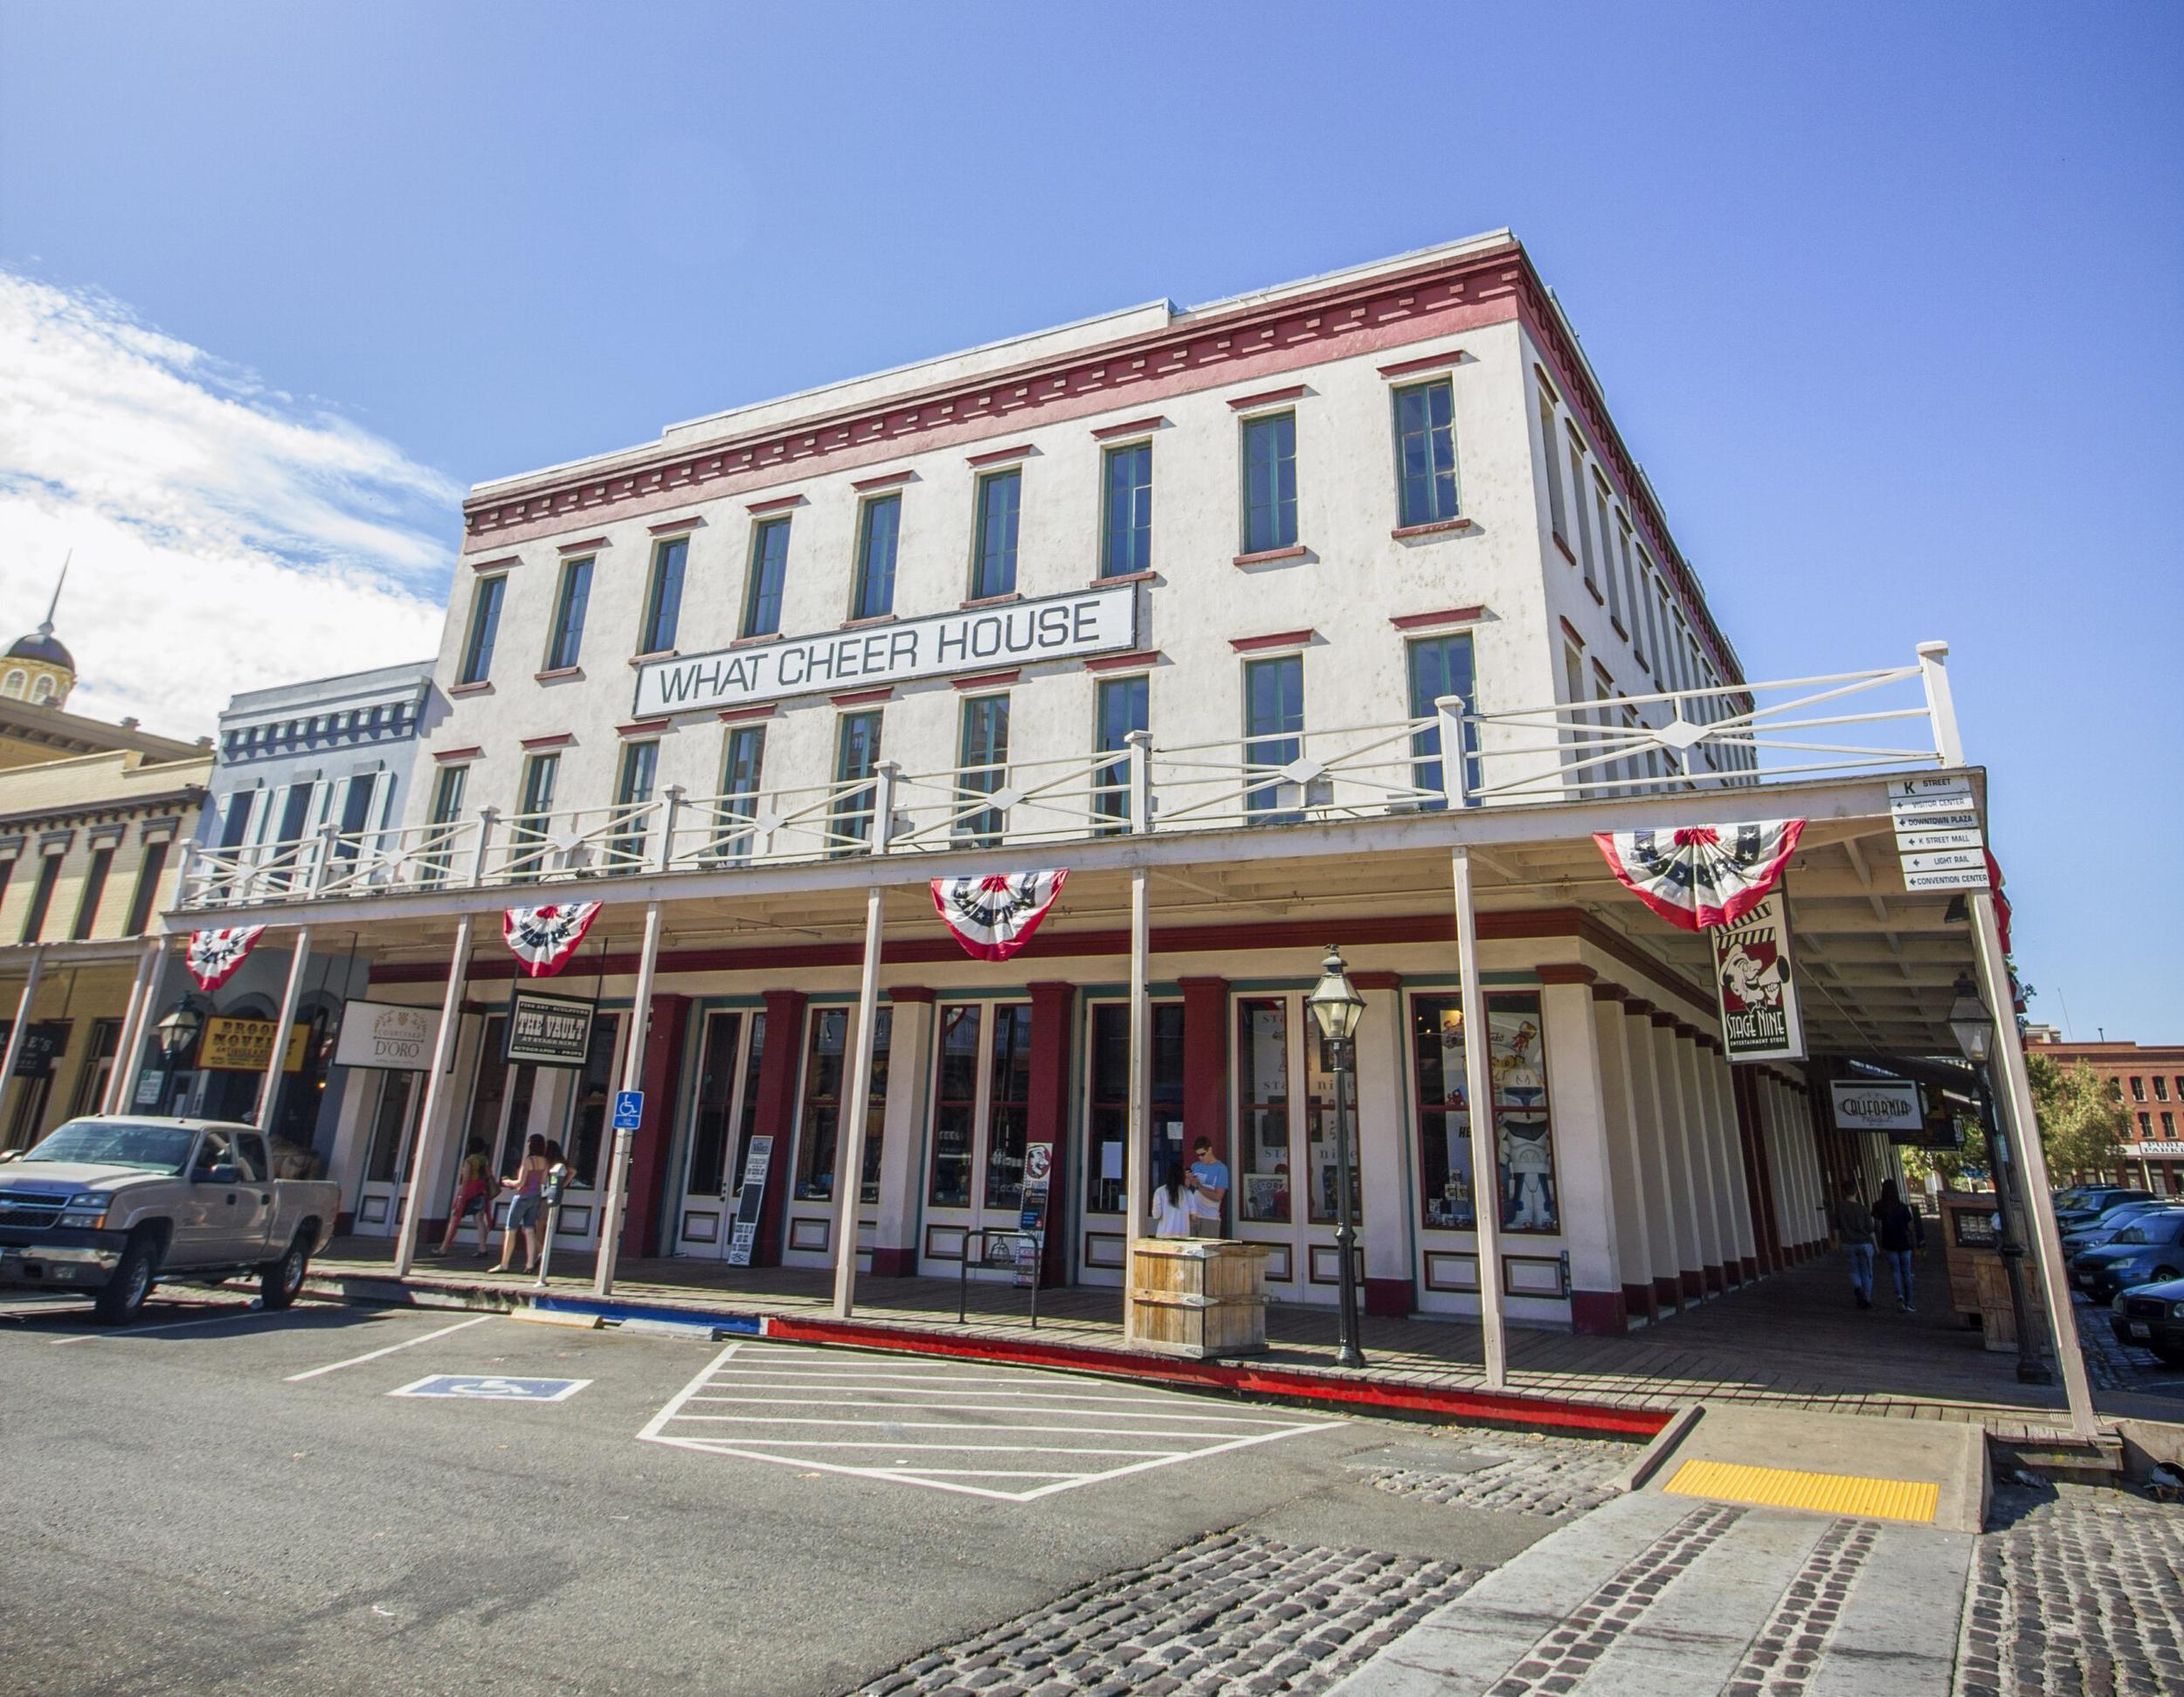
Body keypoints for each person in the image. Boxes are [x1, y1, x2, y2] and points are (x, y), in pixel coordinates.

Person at [495, 1134, 549, 1273]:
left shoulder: (528, 1161)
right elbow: (543, 1182)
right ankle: (530, 1264)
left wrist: (507, 1182)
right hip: (536, 1197)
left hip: (522, 1196)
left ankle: (504, 1263)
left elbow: (520, 1182)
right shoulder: (545, 1162)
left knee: (511, 1229)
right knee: (530, 1230)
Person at [1873, 1179, 1924, 1312]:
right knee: (1906, 1272)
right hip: (1904, 1242)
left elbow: (1877, 1226)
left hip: (1888, 1242)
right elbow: (1910, 1226)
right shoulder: (1902, 1207)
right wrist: (1914, 1241)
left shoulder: (1879, 1206)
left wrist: (1878, 1243)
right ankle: (1910, 1302)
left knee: (1895, 1271)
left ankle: (1899, 1295)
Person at [438, 1137, 494, 1256]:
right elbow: (489, 1176)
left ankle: (443, 1248)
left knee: (454, 1219)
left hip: (469, 1192)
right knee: (479, 1220)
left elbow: (466, 1179)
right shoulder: (485, 1160)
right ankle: (483, 1248)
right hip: (481, 1191)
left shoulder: (469, 1161)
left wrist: (459, 1196)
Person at [1835, 1176, 1876, 1310]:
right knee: (1867, 1272)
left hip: (1848, 1243)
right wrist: (1876, 1246)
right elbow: (1871, 1230)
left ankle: (1858, 1288)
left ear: (1843, 1192)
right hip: (1865, 1243)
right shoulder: (1863, 1208)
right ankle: (1867, 1299)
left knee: (1854, 1270)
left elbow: (1836, 1227)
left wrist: (1837, 1243)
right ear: (1856, 1192)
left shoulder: (1840, 1208)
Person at [1186, 1137, 1229, 1238]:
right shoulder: (1195, 1166)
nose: (1201, 1158)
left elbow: (1218, 1196)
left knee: (1208, 1251)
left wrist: (1198, 1185)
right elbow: (1186, 1189)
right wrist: (1187, 1180)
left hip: (1210, 1218)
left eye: (1203, 1154)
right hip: (1192, 1216)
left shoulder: (1221, 1169)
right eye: (1198, 1155)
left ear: (1210, 1150)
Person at [1150, 1160, 1194, 1239]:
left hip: (1164, 1235)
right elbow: (1193, 1217)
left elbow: (1156, 1215)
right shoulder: (1188, 1194)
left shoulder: (1160, 1192)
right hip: (1183, 1236)